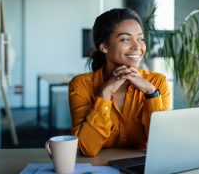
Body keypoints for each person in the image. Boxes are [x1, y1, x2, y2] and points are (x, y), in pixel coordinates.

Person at [68, 8, 170, 157]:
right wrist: (104, 93)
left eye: (140, 39)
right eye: (125, 39)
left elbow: (162, 143)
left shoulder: (156, 83)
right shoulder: (80, 85)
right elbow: (87, 148)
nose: (137, 47)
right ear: (104, 46)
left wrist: (151, 93)